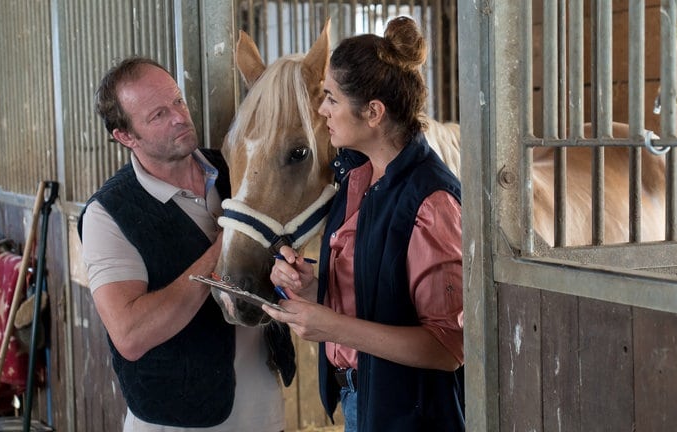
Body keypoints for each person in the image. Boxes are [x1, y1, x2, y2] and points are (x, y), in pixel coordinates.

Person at [265, 16, 464, 432]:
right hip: (362, 400)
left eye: (332, 99)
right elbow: (378, 284)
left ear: (373, 112)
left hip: (410, 417)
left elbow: (449, 347)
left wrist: (332, 327)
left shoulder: (432, 200)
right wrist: (311, 285)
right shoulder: (357, 177)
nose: (322, 112)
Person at [78, 56, 295, 431]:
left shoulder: (235, 170)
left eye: (177, 101)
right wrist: (222, 249)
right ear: (125, 137)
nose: (180, 117)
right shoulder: (108, 214)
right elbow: (130, 335)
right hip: (175, 421)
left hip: (262, 406)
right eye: (158, 115)